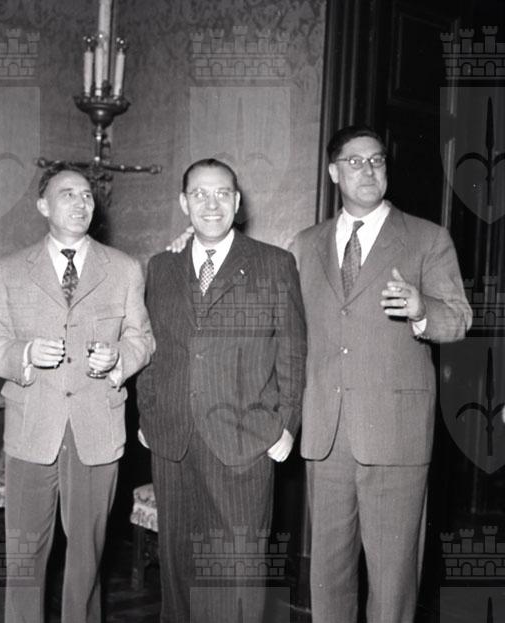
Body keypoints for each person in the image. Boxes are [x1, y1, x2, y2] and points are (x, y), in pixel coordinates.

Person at [290, 125, 472, 622]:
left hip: (395, 435)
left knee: (393, 579)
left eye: (377, 161)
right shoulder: (305, 244)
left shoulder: (427, 238)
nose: (368, 170)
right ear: (334, 173)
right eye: (355, 162)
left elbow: (459, 319)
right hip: (326, 433)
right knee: (328, 576)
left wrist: (422, 310)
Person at [137, 158, 307, 623]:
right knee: (177, 566)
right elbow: (152, 346)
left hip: (244, 438)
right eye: (199, 194)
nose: (211, 204)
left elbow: (292, 351)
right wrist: (148, 413)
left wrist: (286, 424)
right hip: (173, 438)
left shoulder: (274, 263)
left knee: (237, 571)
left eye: (222, 194)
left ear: (237, 200)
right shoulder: (161, 266)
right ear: (183, 202)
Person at [0, 162, 154, 623]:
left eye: (87, 195)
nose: (81, 203)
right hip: (31, 429)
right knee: (25, 557)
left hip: (96, 429)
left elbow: (142, 338)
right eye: (68, 194)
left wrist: (118, 359)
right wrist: (24, 353)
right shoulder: (9, 269)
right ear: (42, 205)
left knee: (87, 557)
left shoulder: (123, 268)